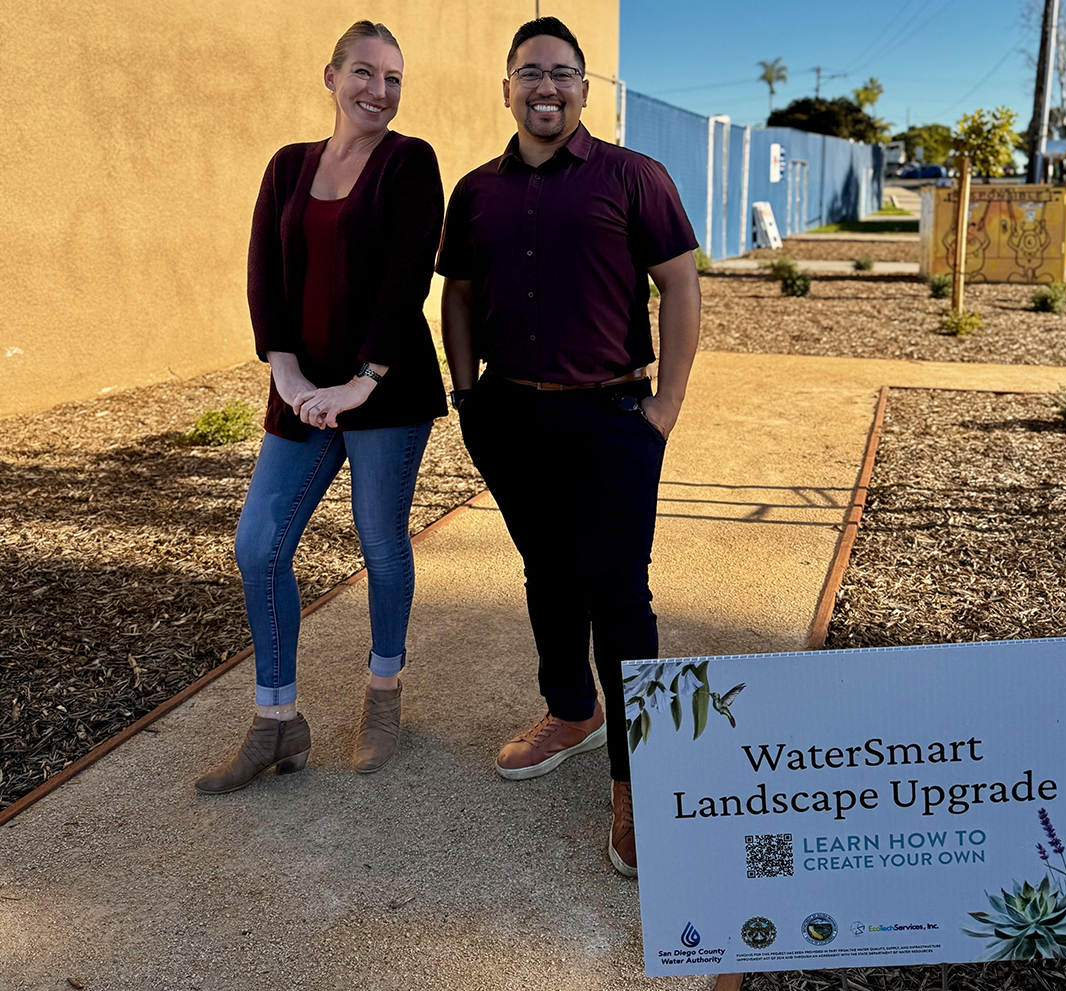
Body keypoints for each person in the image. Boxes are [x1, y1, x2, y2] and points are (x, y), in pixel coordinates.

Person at [437, 17, 701, 877]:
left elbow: (680, 288)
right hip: (511, 416)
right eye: (528, 73)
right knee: (547, 573)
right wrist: (469, 394)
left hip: (614, 417)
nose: (544, 87)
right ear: (505, 87)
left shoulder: (635, 177)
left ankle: (639, 775)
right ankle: (571, 710)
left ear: (585, 89)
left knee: (620, 593)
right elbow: (461, 298)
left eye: (561, 73)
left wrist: (662, 407)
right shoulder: (475, 191)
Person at [196, 20, 446, 794]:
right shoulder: (288, 166)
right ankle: (278, 720)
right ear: (330, 76)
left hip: (385, 388)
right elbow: (264, 271)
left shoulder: (409, 161)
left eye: (394, 79)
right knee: (259, 545)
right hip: (301, 392)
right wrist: (287, 372)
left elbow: (408, 278)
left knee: (379, 541)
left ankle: (382, 692)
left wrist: (361, 381)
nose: (380, 91)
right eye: (365, 73)